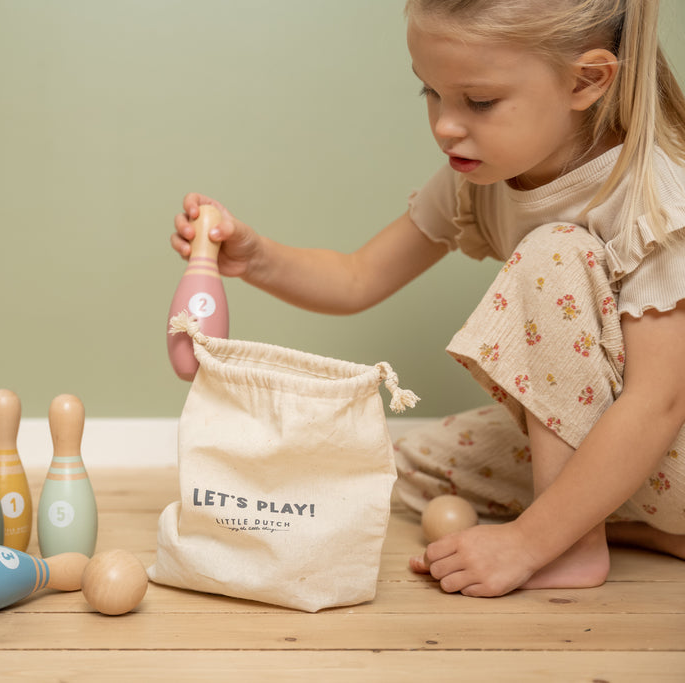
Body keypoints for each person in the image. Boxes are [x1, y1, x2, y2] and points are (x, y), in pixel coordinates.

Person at [170, 0, 685, 597]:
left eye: (479, 101)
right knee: (411, 467)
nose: (445, 124)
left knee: (553, 253)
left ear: (586, 81)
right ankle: (635, 528)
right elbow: (359, 277)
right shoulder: (482, 173)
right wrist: (255, 258)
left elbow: (659, 404)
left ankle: (566, 541)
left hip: (668, 447)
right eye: (431, 94)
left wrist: (525, 544)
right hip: (637, 465)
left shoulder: (655, 195)